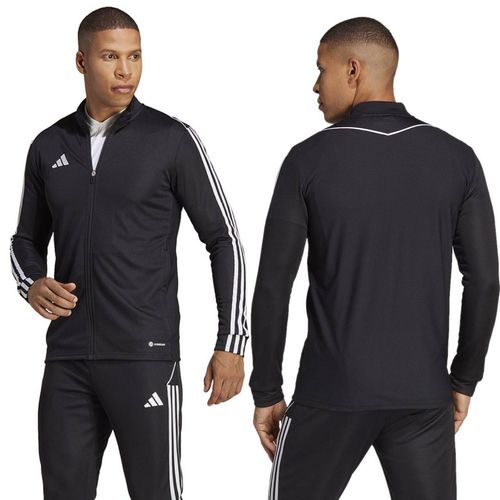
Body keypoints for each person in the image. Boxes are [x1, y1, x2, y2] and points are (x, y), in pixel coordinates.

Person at [249, 16, 499, 500]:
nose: (315, 85)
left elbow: (274, 285)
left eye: (321, 69)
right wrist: (464, 378)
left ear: (353, 70)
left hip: (330, 394)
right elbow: (485, 280)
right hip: (423, 397)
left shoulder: (306, 160)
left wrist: (267, 390)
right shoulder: (458, 159)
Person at [9, 7, 248, 500]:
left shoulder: (171, 139)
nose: (125, 71)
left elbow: (223, 239)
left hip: (145, 357)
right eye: (110, 57)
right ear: (81, 61)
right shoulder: (49, 145)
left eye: (135, 56)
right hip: (68, 358)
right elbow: (24, 240)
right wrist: (32, 282)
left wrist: (231, 341)